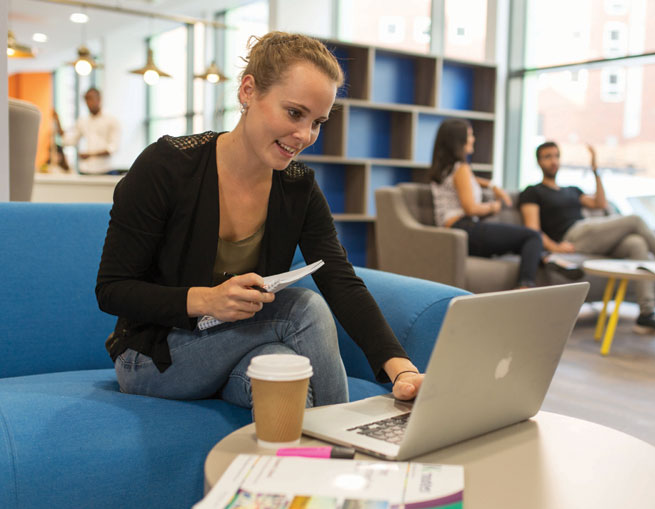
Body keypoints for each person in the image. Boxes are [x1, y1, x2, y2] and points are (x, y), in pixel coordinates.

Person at [95, 31, 423, 409]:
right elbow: (112, 289)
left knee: (285, 380)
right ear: (248, 91)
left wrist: (403, 371)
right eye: (294, 113)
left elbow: (339, 279)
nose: (304, 135)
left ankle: (295, 463)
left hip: (234, 347)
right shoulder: (167, 166)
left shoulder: (298, 187)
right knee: (304, 309)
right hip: (153, 357)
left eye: (318, 121)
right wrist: (207, 300)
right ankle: (346, 445)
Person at [519, 141, 655, 335]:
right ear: (539, 162)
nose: (553, 161)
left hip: (592, 238)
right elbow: (533, 228)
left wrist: (596, 171)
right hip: (573, 235)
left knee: (636, 244)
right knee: (635, 220)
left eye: (556, 156)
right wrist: (553, 246)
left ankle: (646, 314)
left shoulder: (572, 190)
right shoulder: (533, 192)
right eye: (548, 157)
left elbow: (600, 203)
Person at [429, 118, 544, 289]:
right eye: (470, 135)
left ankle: (546, 260)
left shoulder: (444, 169)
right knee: (532, 237)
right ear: (458, 141)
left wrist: (491, 185)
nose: (473, 138)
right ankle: (525, 289)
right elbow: (470, 208)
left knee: (525, 246)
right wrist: (493, 207)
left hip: (454, 234)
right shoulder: (461, 168)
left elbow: (469, 181)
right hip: (465, 229)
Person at [54, 87, 121, 175]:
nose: (89, 103)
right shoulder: (83, 121)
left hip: (106, 170)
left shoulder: (111, 120)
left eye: (91, 99)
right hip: (86, 170)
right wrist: (58, 122)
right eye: (86, 100)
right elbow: (68, 141)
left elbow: (112, 148)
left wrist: (90, 155)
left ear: (99, 99)